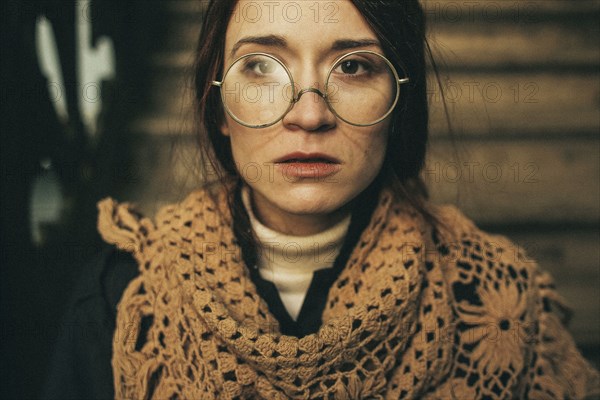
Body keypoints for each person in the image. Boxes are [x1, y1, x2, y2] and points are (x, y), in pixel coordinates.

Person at [44, 1, 600, 399]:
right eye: (260, 65)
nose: (309, 115)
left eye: (353, 66)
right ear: (217, 106)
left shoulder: (496, 303)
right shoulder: (122, 303)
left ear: (399, 100)